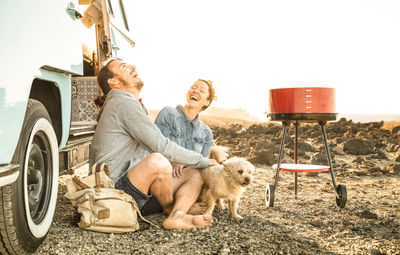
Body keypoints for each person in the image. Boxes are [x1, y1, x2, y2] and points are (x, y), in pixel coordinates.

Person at [90, 58, 216, 230]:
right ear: (114, 82)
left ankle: (177, 216)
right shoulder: (121, 102)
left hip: (136, 188)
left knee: (195, 173)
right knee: (158, 160)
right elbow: (161, 146)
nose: (132, 66)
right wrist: (204, 160)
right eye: (124, 67)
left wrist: (190, 163)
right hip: (114, 192)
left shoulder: (132, 104)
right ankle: (170, 207)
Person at [154, 79, 216, 179]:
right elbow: (158, 148)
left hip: (189, 177)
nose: (196, 91)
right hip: (164, 174)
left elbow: (203, 163)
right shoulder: (168, 114)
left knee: (197, 176)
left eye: (202, 90)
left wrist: (185, 163)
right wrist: (176, 162)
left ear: (207, 102)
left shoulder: (206, 132)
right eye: (193, 87)